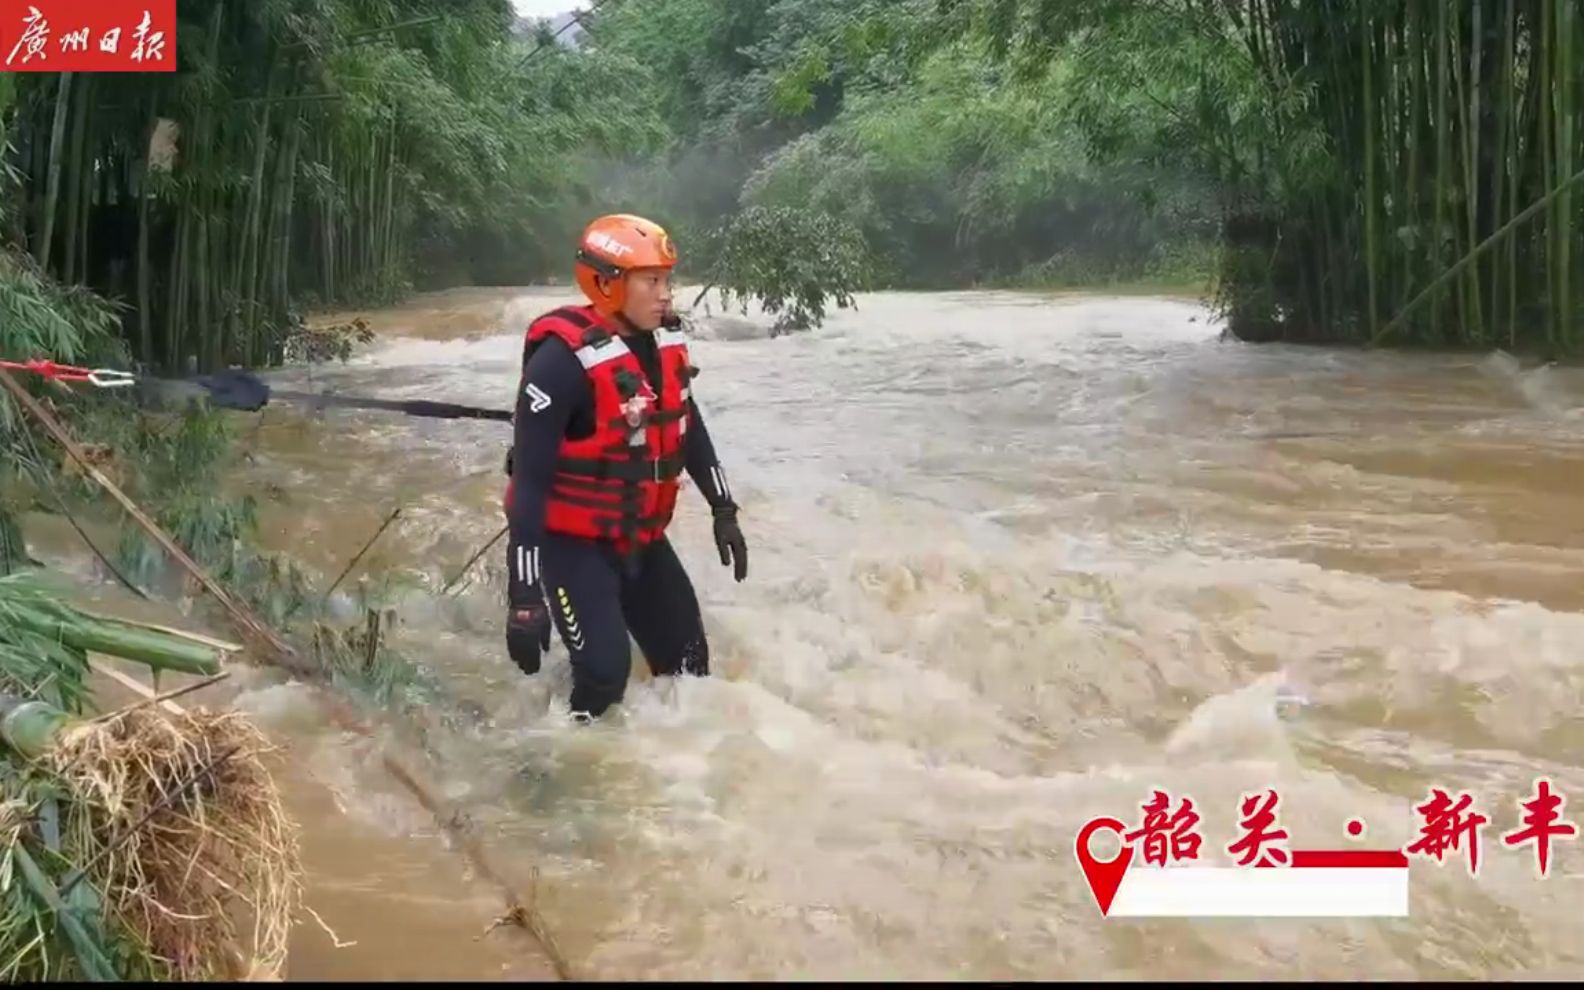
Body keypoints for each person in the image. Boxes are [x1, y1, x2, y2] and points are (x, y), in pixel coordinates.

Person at [501, 213, 748, 721]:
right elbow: (528, 485)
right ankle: (557, 762)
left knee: (689, 671)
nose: (666, 293)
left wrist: (724, 508)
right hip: (574, 547)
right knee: (604, 678)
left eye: (668, 280)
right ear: (608, 284)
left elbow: (689, 427)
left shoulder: (662, 346)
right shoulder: (558, 363)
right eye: (651, 280)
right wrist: (524, 597)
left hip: (641, 538)